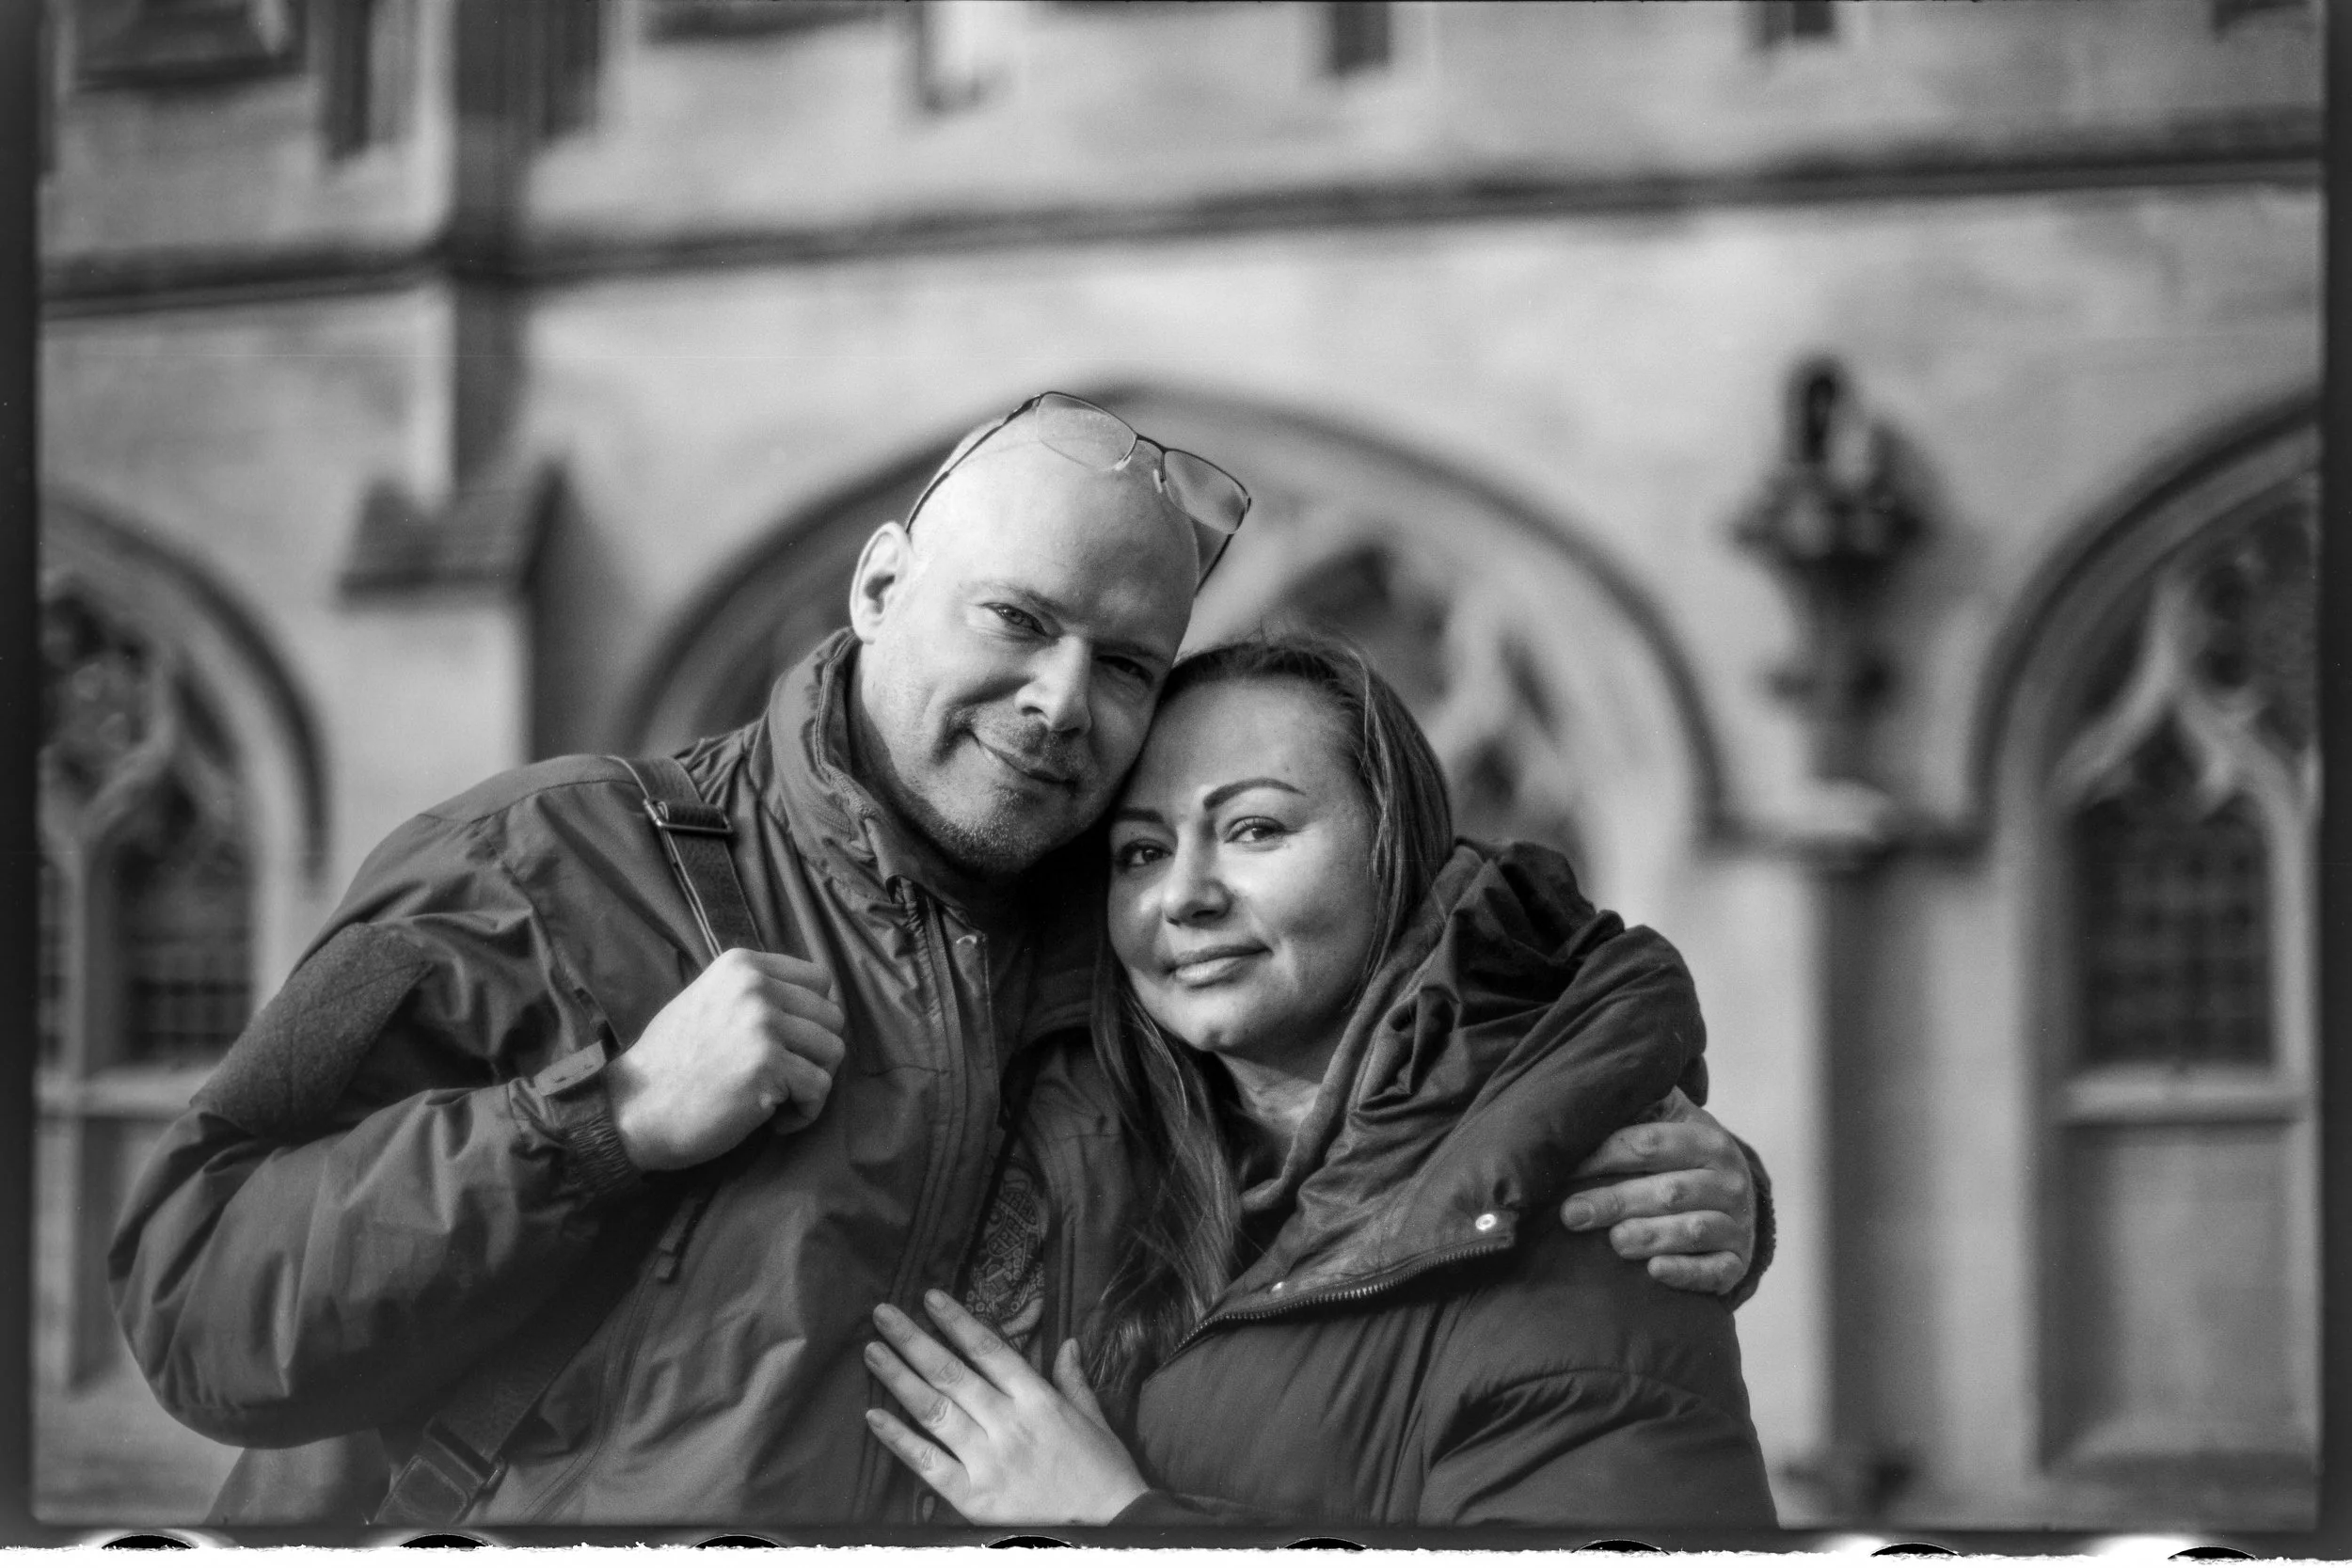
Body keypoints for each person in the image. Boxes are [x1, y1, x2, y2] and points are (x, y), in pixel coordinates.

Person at [109, 392, 1768, 1526]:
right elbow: (195, 1300)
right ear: (883, 581)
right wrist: (597, 1124)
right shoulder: (544, 862)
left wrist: (1634, 1152)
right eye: (1017, 621)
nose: (1063, 701)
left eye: (1124, 661)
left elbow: (1466, 977)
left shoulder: (1113, 927)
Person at [861, 636, 1775, 1528]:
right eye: (1140, 850)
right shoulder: (1124, 1152)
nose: (1183, 894)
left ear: (1395, 849)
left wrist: (1110, 1520)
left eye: (1254, 828)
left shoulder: (1596, 1227)